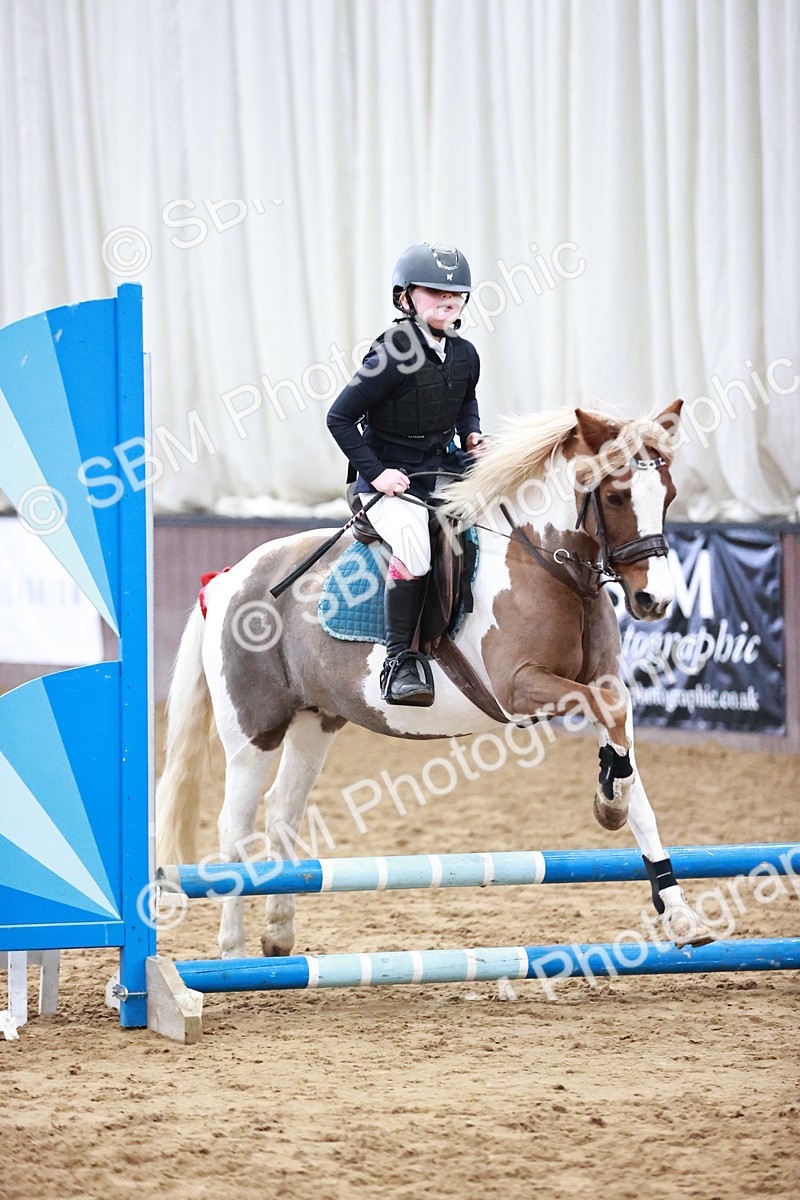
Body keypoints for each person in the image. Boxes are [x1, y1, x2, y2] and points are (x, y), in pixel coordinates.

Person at [327, 241, 486, 707]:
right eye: (434, 292)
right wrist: (377, 475)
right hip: (387, 481)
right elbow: (339, 418)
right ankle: (399, 659)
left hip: (441, 468)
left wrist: (472, 433)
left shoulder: (465, 353)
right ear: (405, 297)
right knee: (415, 543)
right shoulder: (392, 353)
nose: (447, 300)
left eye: (454, 294)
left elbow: (466, 399)